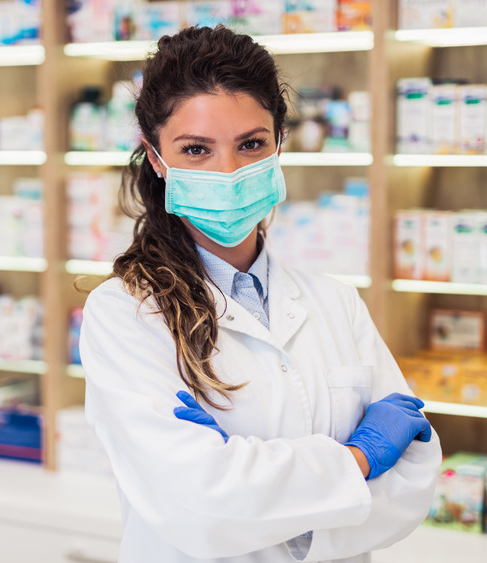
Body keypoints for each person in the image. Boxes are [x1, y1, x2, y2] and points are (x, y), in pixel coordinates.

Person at [79, 25, 442, 562]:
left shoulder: (336, 303)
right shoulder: (126, 314)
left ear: (280, 145)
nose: (228, 171)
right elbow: (199, 505)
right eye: (196, 149)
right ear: (157, 160)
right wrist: (360, 462)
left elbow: (414, 483)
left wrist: (255, 495)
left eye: (250, 144)